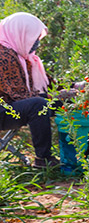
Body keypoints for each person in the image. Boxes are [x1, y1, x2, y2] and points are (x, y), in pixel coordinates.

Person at [0, 12, 64, 168]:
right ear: (19, 34)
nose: (36, 42)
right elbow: (18, 96)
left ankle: (79, 153)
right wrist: (50, 96)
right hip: (2, 109)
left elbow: (50, 84)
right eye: (32, 37)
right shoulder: (3, 56)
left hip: (11, 105)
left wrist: (74, 88)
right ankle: (43, 158)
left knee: (60, 102)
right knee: (39, 105)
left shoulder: (24, 57)